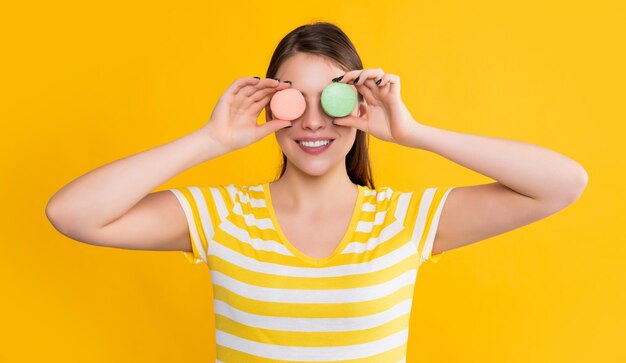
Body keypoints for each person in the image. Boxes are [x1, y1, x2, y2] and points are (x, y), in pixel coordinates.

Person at [46, 22, 588, 362]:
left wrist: (412, 133)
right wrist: (209, 140)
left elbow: (563, 184)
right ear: (268, 106)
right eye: (291, 100)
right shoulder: (221, 216)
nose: (311, 122)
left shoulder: (403, 221)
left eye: (328, 100)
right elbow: (71, 213)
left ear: (357, 108)